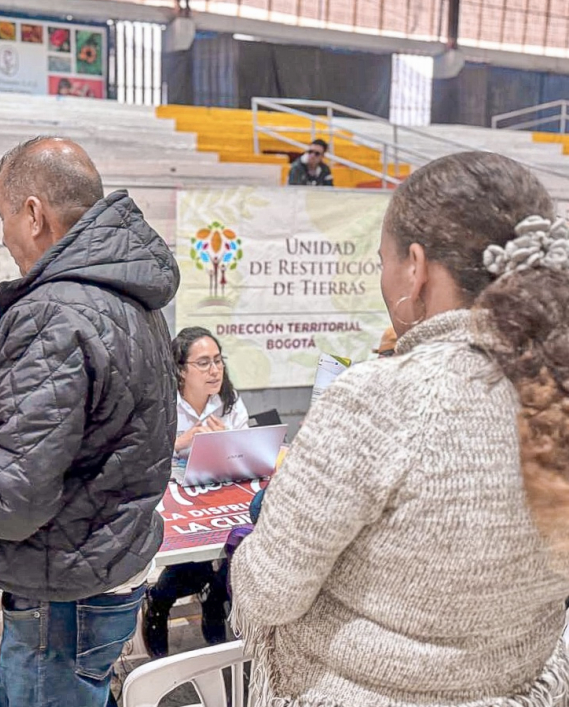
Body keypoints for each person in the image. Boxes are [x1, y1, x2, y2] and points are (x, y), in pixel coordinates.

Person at [230, 151, 569, 705]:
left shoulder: (381, 398)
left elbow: (268, 592)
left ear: (416, 266)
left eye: (382, 260)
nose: (382, 276)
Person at [0, 136, 179, 707]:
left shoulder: (53, 311)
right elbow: (97, 424)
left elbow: (11, 498)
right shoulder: (130, 293)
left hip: (63, 583)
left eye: (3, 216)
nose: (3, 235)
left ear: (33, 213)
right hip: (107, 559)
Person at [141, 326, 248, 658]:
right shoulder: (162, 403)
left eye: (218, 361)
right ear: (180, 369)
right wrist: (181, 443)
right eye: (203, 363)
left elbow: (247, 455)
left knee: (232, 548)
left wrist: (230, 442)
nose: (214, 370)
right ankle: (170, 599)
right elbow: (140, 456)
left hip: (219, 495)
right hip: (173, 500)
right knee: (195, 558)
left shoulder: (228, 402)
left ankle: (196, 595)